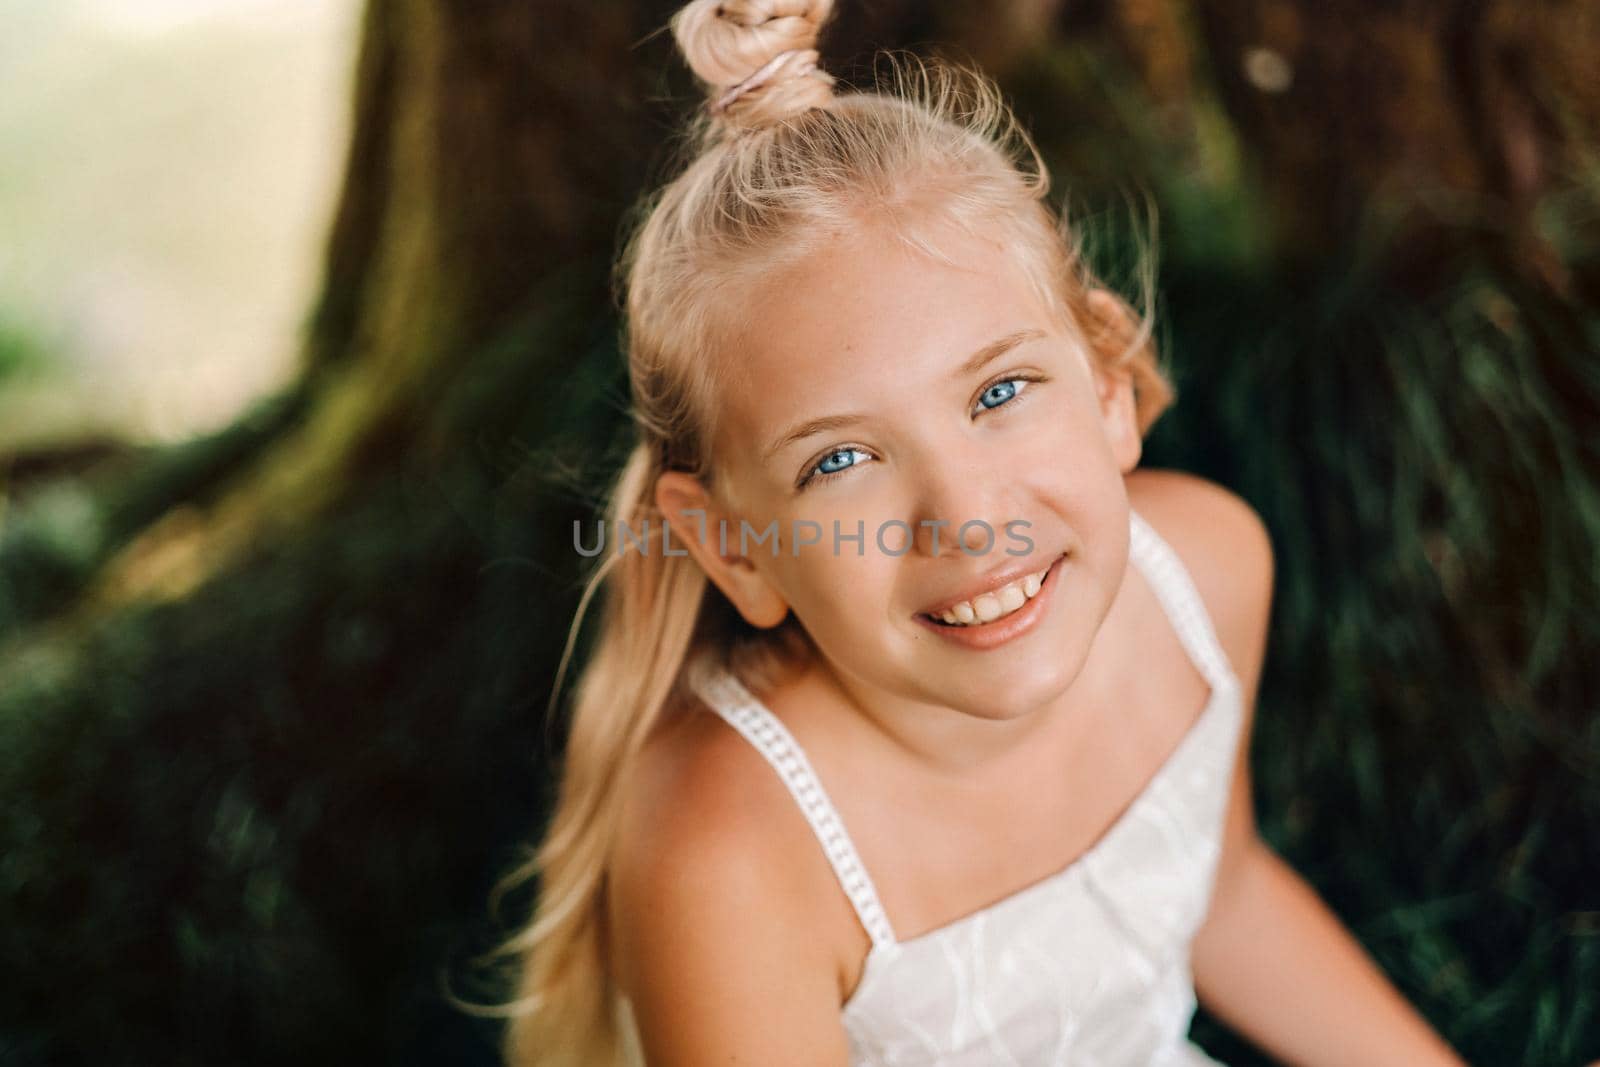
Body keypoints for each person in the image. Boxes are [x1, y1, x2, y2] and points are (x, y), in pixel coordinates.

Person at [490, 1, 1472, 1064]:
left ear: (1105, 382)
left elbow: (1218, 889)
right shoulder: (731, 846)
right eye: (839, 461)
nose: (964, 521)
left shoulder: (1206, 570)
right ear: (733, 545)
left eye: (1000, 389)